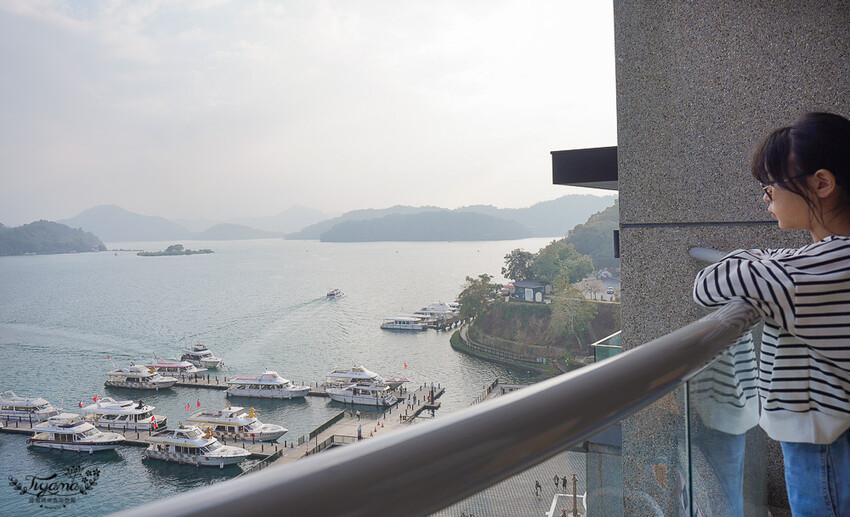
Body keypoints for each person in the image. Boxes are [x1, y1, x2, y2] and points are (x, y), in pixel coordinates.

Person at [693, 112, 850, 516]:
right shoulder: (822, 265)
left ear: (822, 183)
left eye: (770, 187)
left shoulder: (802, 275)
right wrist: (767, 261)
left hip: (824, 444)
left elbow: (707, 286)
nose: (766, 199)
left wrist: (752, 257)